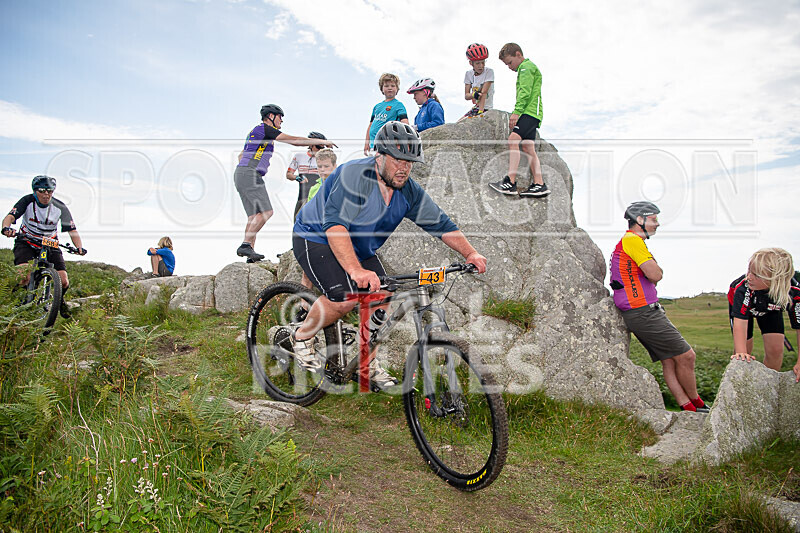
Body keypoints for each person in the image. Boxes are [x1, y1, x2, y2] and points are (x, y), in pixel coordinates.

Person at [293, 121, 488, 388]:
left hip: (359, 245)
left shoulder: (408, 191)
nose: (404, 168)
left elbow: (442, 225)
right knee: (345, 297)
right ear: (380, 155)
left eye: (410, 161)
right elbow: (335, 226)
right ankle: (302, 336)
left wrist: (471, 253)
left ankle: (365, 365)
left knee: (382, 294)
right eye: (398, 159)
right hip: (316, 235)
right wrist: (356, 271)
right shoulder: (355, 176)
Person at [609, 201, 708, 412]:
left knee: (670, 361)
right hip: (644, 311)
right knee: (687, 355)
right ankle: (697, 403)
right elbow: (655, 275)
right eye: (654, 219)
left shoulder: (631, 242)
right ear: (640, 220)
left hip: (640, 312)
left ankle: (688, 406)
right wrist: (656, 271)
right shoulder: (632, 240)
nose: (658, 224)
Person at [234, 104, 335, 262]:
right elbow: (294, 140)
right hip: (250, 173)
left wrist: (246, 169)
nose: (281, 120)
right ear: (271, 117)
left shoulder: (255, 133)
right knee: (266, 212)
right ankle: (246, 245)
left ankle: (250, 253)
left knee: (253, 215)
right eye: (280, 117)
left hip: (242, 173)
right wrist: (323, 141)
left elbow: (241, 156)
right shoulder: (266, 129)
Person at [2, 175, 87, 318]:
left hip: (50, 242)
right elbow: (10, 217)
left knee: (64, 280)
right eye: (42, 190)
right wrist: (6, 228)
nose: (46, 194)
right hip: (27, 241)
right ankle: (14, 301)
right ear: (35, 191)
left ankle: (60, 303)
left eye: (50, 191)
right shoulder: (27, 201)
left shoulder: (59, 207)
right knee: (24, 276)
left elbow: (72, 230)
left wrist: (79, 247)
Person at [728, 248, 800, 382]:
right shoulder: (743, 287)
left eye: (756, 275)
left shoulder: (795, 292)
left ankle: (767, 386)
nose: (749, 277)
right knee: (743, 353)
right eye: (749, 271)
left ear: (776, 279)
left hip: (771, 309)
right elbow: (740, 324)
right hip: (744, 310)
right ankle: (739, 386)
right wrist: (741, 353)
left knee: (776, 351)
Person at [488, 42, 550, 198]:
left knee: (513, 140)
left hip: (528, 113)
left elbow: (525, 93)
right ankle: (539, 184)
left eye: (509, 62)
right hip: (533, 113)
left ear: (518, 54)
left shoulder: (525, 68)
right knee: (528, 147)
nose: (509, 66)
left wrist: (516, 113)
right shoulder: (528, 67)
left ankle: (510, 182)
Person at [300, 148, 337, 290]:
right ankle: (304, 306)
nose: (322, 170)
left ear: (334, 166)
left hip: (334, 232)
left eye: (326, 166)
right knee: (307, 271)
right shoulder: (314, 188)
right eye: (319, 167)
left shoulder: (338, 184)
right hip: (316, 233)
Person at [363, 73, 409, 156]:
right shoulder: (377, 107)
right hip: (373, 146)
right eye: (386, 86)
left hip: (387, 146)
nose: (390, 88)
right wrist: (367, 143)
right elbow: (370, 126)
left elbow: (405, 124)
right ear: (382, 89)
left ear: (397, 89)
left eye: (393, 86)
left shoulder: (399, 105)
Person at [286, 131, 327, 217]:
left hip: (317, 198)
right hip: (302, 197)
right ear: (311, 145)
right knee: (297, 223)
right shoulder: (299, 156)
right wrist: (297, 177)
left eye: (322, 147)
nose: (320, 150)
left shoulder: (324, 159)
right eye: (318, 146)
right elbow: (289, 174)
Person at [462, 43, 495, 119]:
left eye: (483, 62)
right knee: (458, 124)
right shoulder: (468, 74)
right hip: (475, 108)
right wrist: (473, 95)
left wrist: (480, 113)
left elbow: (484, 93)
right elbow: (466, 96)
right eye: (477, 63)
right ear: (471, 63)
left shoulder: (489, 72)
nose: (481, 66)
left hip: (485, 108)